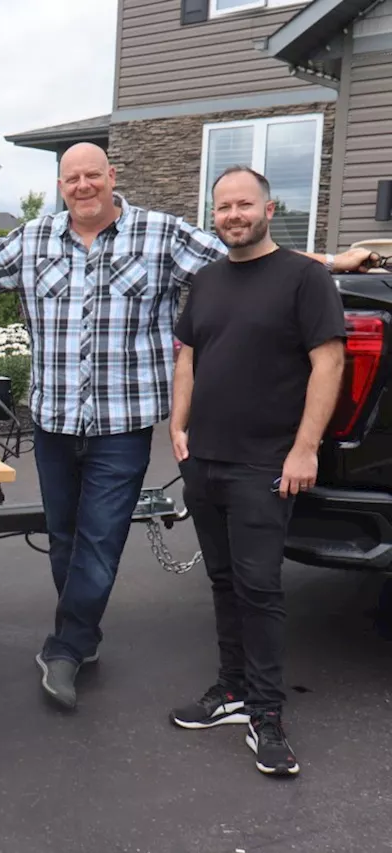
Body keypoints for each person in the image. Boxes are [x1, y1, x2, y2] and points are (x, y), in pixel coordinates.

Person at [0, 143, 373, 711]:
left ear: (112, 177)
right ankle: (83, 637)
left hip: (123, 424)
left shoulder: (161, 234)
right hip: (53, 421)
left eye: (94, 174)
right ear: (60, 183)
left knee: (100, 539)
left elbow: (250, 250)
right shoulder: (35, 239)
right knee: (65, 538)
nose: (83, 184)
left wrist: (331, 261)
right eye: (72, 177)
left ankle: (66, 648)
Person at [168, 166, 347, 776]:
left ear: (270, 209)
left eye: (244, 204)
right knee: (222, 582)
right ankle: (232, 689)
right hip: (206, 461)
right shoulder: (207, 280)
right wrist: (177, 425)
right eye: (222, 207)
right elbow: (189, 356)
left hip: (266, 464)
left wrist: (306, 448)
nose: (233, 215)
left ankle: (267, 713)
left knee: (260, 588)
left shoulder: (304, 276)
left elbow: (328, 363)